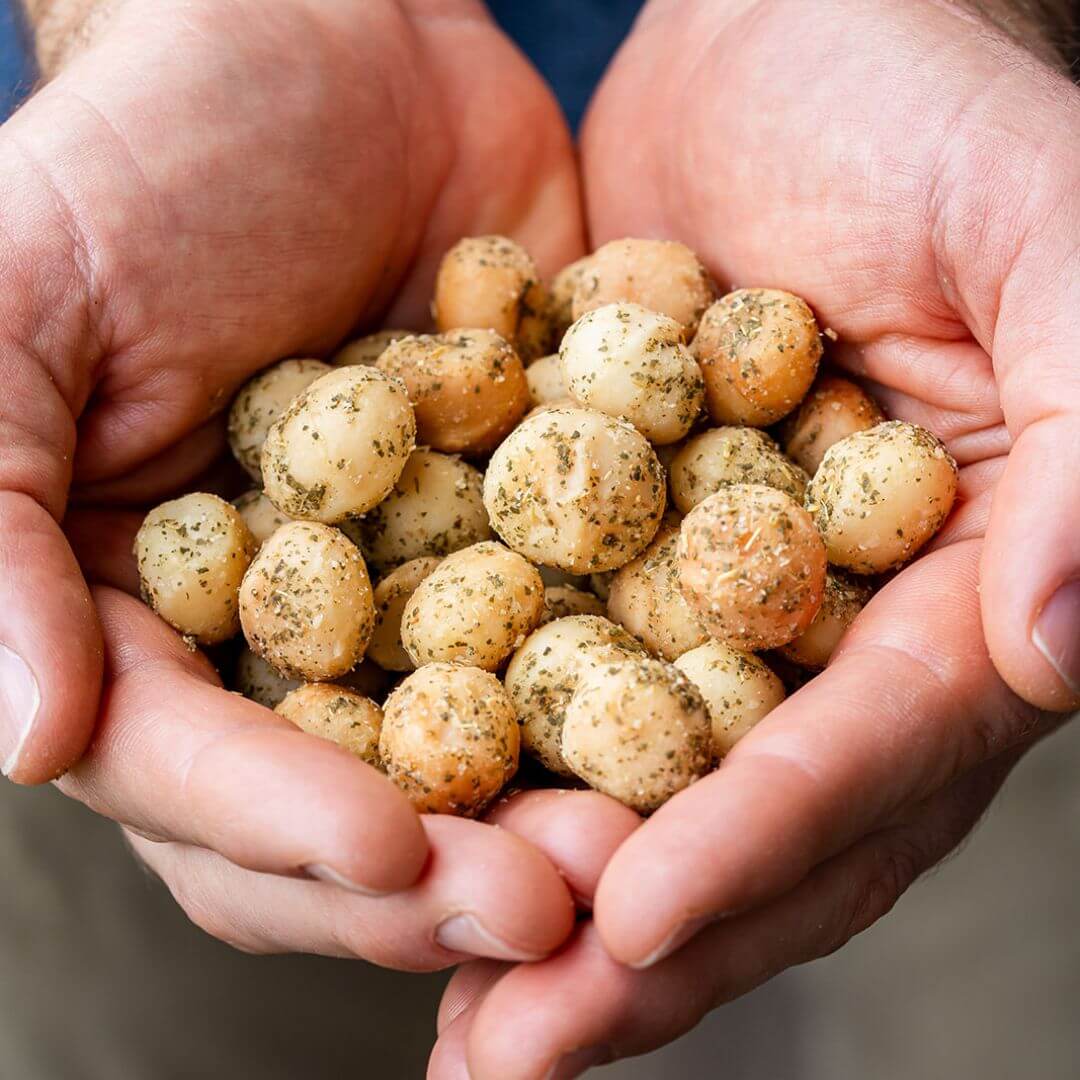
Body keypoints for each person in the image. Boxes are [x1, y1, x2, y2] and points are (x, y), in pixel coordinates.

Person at [0, 1, 1077, 1077]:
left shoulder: (701, 469)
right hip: (145, 439)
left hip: (950, 477)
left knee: (963, 1011)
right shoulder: (332, 503)